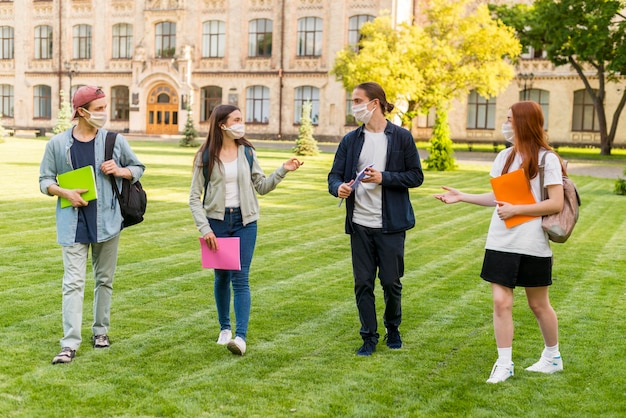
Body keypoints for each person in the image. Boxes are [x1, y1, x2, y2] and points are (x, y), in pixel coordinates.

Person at [434, 101, 565, 383]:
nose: (505, 124)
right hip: (500, 240)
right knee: (500, 302)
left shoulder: (547, 159)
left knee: (538, 305)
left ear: (525, 123)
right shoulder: (504, 156)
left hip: (532, 243)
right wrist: (463, 196)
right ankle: (504, 363)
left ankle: (552, 357)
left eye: (510, 119)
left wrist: (518, 210)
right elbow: (498, 198)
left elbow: (555, 203)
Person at [39, 85, 145, 364]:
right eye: (99, 109)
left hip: (108, 221)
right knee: (73, 283)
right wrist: (64, 193)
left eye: (104, 108)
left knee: (104, 280)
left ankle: (100, 332)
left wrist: (120, 170)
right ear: (82, 112)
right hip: (72, 223)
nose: (104, 113)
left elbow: (138, 168)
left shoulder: (114, 140)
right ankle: (69, 343)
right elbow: (44, 180)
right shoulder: (57, 144)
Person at [189, 104, 303, 356]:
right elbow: (194, 198)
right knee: (221, 277)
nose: (242, 123)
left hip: (245, 222)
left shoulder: (247, 152)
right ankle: (225, 328)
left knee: (241, 278)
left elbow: (261, 186)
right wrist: (205, 229)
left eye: (242, 119)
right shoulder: (205, 156)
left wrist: (283, 170)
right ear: (222, 125)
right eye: (237, 119)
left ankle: (240, 337)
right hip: (217, 223)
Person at [327, 82, 424, 356]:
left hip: (391, 225)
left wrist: (385, 178)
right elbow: (333, 176)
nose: (354, 105)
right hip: (359, 224)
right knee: (363, 283)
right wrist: (339, 188)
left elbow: (416, 176)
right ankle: (368, 337)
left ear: (375, 103)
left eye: (358, 100)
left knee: (391, 282)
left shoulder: (401, 138)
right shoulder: (350, 140)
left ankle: (393, 329)